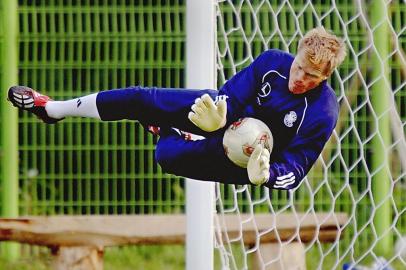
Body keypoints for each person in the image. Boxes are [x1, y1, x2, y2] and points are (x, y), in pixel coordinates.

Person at [7, 27, 346, 190]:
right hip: (220, 118)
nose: (299, 78)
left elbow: (295, 170)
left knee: (166, 157)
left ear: (325, 76)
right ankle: (52, 108)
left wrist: (266, 174)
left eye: (311, 76)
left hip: (243, 161)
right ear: (297, 53)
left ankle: (166, 130)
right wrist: (221, 112)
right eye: (299, 67)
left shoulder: (322, 113)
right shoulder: (273, 62)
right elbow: (232, 94)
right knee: (142, 99)